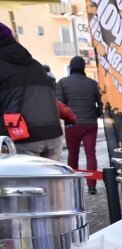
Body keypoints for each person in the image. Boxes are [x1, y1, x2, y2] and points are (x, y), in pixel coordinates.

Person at [0, 22, 63, 160]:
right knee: (51, 181)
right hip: (53, 133)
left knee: (25, 181)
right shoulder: (36, 64)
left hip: (23, 136)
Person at [56, 56, 103, 194]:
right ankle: (92, 186)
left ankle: (73, 185)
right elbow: (100, 104)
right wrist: (96, 114)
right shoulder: (93, 84)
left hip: (72, 125)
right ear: (83, 68)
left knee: (73, 154)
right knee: (90, 154)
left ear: (71, 67)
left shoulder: (63, 83)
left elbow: (60, 105)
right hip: (90, 124)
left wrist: (67, 118)